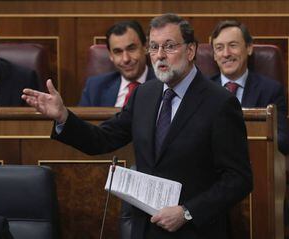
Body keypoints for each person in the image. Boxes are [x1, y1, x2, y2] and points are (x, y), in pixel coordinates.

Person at [22, 13, 252, 239]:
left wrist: (187, 212)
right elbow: (102, 139)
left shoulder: (220, 102)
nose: (160, 55)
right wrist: (64, 117)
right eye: (154, 47)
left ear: (190, 50)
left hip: (195, 231)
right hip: (147, 229)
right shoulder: (145, 94)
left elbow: (238, 179)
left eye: (169, 46)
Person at [210, 19, 289, 156]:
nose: (226, 53)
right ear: (214, 55)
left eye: (233, 45)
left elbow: (282, 142)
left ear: (249, 48)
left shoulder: (270, 90)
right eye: (219, 48)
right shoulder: (203, 90)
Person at [79, 20, 155, 107]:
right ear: (111, 55)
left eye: (131, 49)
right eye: (118, 52)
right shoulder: (94, 87)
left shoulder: (164, 85)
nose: (126, 59)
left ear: (145, 47)